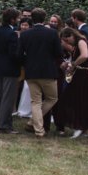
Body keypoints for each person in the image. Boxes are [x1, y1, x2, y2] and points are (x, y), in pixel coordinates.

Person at [18, 8, 61, 138]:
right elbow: (58, 53)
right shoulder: (52, 33)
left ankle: (37, 128)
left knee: (35, 101)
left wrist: (27, 63)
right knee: (52, 98)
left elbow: (19, 54)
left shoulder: (25, 34)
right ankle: (35, 124)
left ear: (32, 19)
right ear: (44, 19)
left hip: (31, 72)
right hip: (48, 71)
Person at [57, 27, 88, 139]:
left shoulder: (81, 41)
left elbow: (84, 55)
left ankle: (80, 127)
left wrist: (73, 64)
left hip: (84, 75)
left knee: (79, 100)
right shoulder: (77, 44)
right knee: (79, 100)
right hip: (80, 74)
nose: (67, 43)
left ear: (71, 35)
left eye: (67, 40)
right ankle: (83, 129)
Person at [0, 8, 22, 134]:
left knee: (4, 96)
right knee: (8, 99)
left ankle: (7, 124)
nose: (18, 20)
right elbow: (14, 53)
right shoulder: (12, 33)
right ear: (12, 19)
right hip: (9, 69)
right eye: (17, 18)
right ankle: (3, 125)